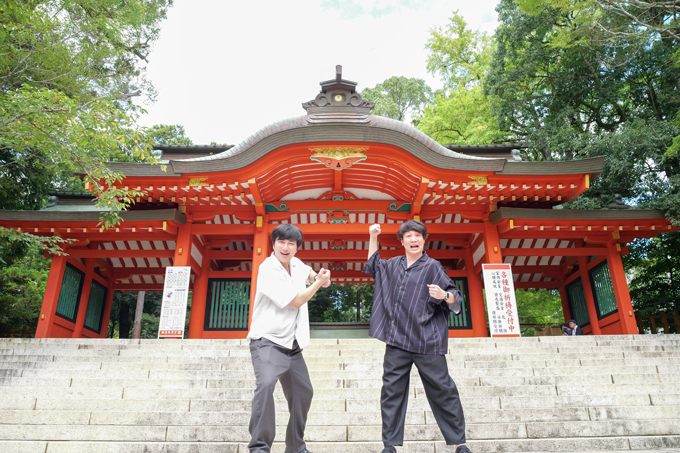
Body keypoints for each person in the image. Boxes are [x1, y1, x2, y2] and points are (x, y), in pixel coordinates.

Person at [363, 220, 472, 453]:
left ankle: (460, 442)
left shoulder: (432, 266)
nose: (414, 240)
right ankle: (389, 445)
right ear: (401, 241)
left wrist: (444, 295)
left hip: (427, 339)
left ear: (424, 240)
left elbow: (455, 296)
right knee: (391, 392)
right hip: (397, 340)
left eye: (418, 236)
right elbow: (373, 265)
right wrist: (373, 236)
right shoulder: (392, 265)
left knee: (444, 389)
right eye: (409, 236)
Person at [246, 224, 331, 453]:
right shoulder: (268, 268)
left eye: (291, 243)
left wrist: (320, 276)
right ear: (273, 244)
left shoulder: (296, 263)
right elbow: (297, 300)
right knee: (265, 386)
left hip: (292, 346)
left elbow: (311, 272)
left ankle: (295, 447)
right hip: (267, 342)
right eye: (281, 242)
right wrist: (318, 283)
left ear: (296, 247)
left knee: (304, 392)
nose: (285, 247)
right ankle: (259, 447)